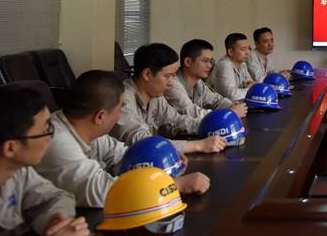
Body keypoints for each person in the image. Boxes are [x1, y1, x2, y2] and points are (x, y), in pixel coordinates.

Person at [36, 70, 211, 208]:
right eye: (119, 109)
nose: (119, 116)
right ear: (100, 116)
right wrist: (176, 185)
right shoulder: (56, 141)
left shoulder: (85, 127)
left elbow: (121, 155)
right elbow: (105, 192)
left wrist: (163, 161)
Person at [0, 84, 89, 236]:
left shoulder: (18, 171)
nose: (50, 138)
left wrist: (55, 222)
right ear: (10, 148)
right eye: (45, 131)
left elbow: (56, 197)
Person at [110, 43, 226, 154]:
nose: (171, 83)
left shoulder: (155, 96)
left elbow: (177, 120)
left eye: (173, 76)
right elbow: (144, 142)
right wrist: (199, 145)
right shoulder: (121, 98)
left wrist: (211, 126)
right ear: (147, 74)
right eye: (167, 76)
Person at [166, 39, 247, 119]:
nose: (210, 66)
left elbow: (216, 100)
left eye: (211, 61)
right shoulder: (172, 83)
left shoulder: (198, 82)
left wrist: (231, 105)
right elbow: (190, 111)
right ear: (188, 62)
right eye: (205, 61)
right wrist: (229, 113)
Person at [209, 33, 255, 100]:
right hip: (217, 105)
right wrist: (251, 89)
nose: (248, 52)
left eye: (249, 48)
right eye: (243, 49)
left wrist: (250, 87)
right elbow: (232, 95)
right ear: (230, 52)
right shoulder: (225, 65)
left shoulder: (243, 64)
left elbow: (251, 83)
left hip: (234, 104)